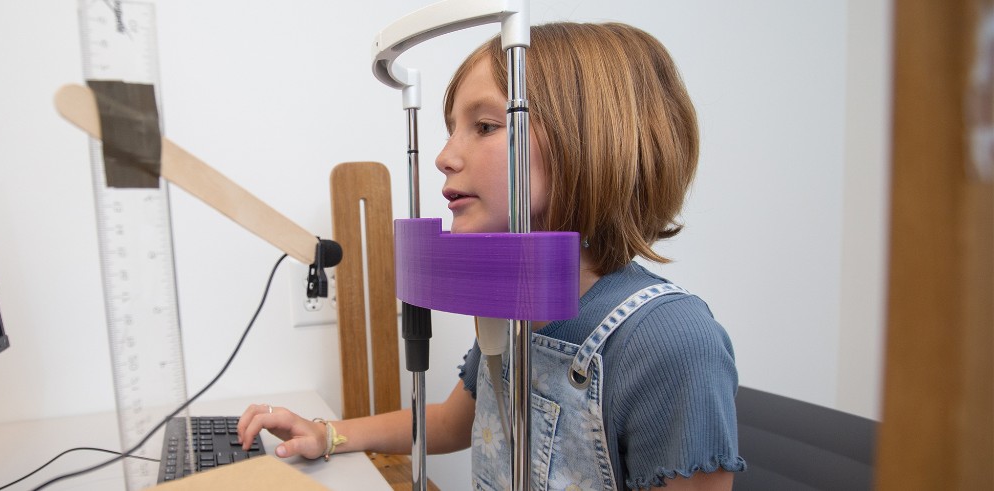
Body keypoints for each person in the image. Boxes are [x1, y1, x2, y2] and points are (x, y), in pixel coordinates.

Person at [238, 22, 744, 490]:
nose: (443, 156)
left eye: (483, 126)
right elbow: (453, 421)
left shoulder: (672, 342)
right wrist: (328, 434)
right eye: (450, 127)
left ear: (589, 141)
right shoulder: (511, 294)